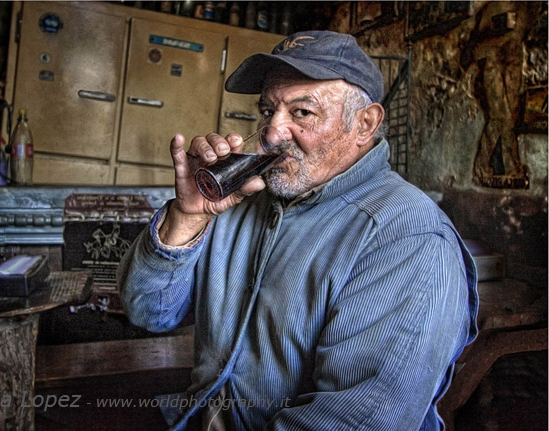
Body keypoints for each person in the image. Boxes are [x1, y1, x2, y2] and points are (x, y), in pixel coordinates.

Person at [118, 30, 479, 431]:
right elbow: (148, 312)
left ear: (364, 124)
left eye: (302, 113)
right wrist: (186, 217)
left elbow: (359, 421)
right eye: (268, 110)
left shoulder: (406, 238)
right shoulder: (240, 199)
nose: (272, 132)